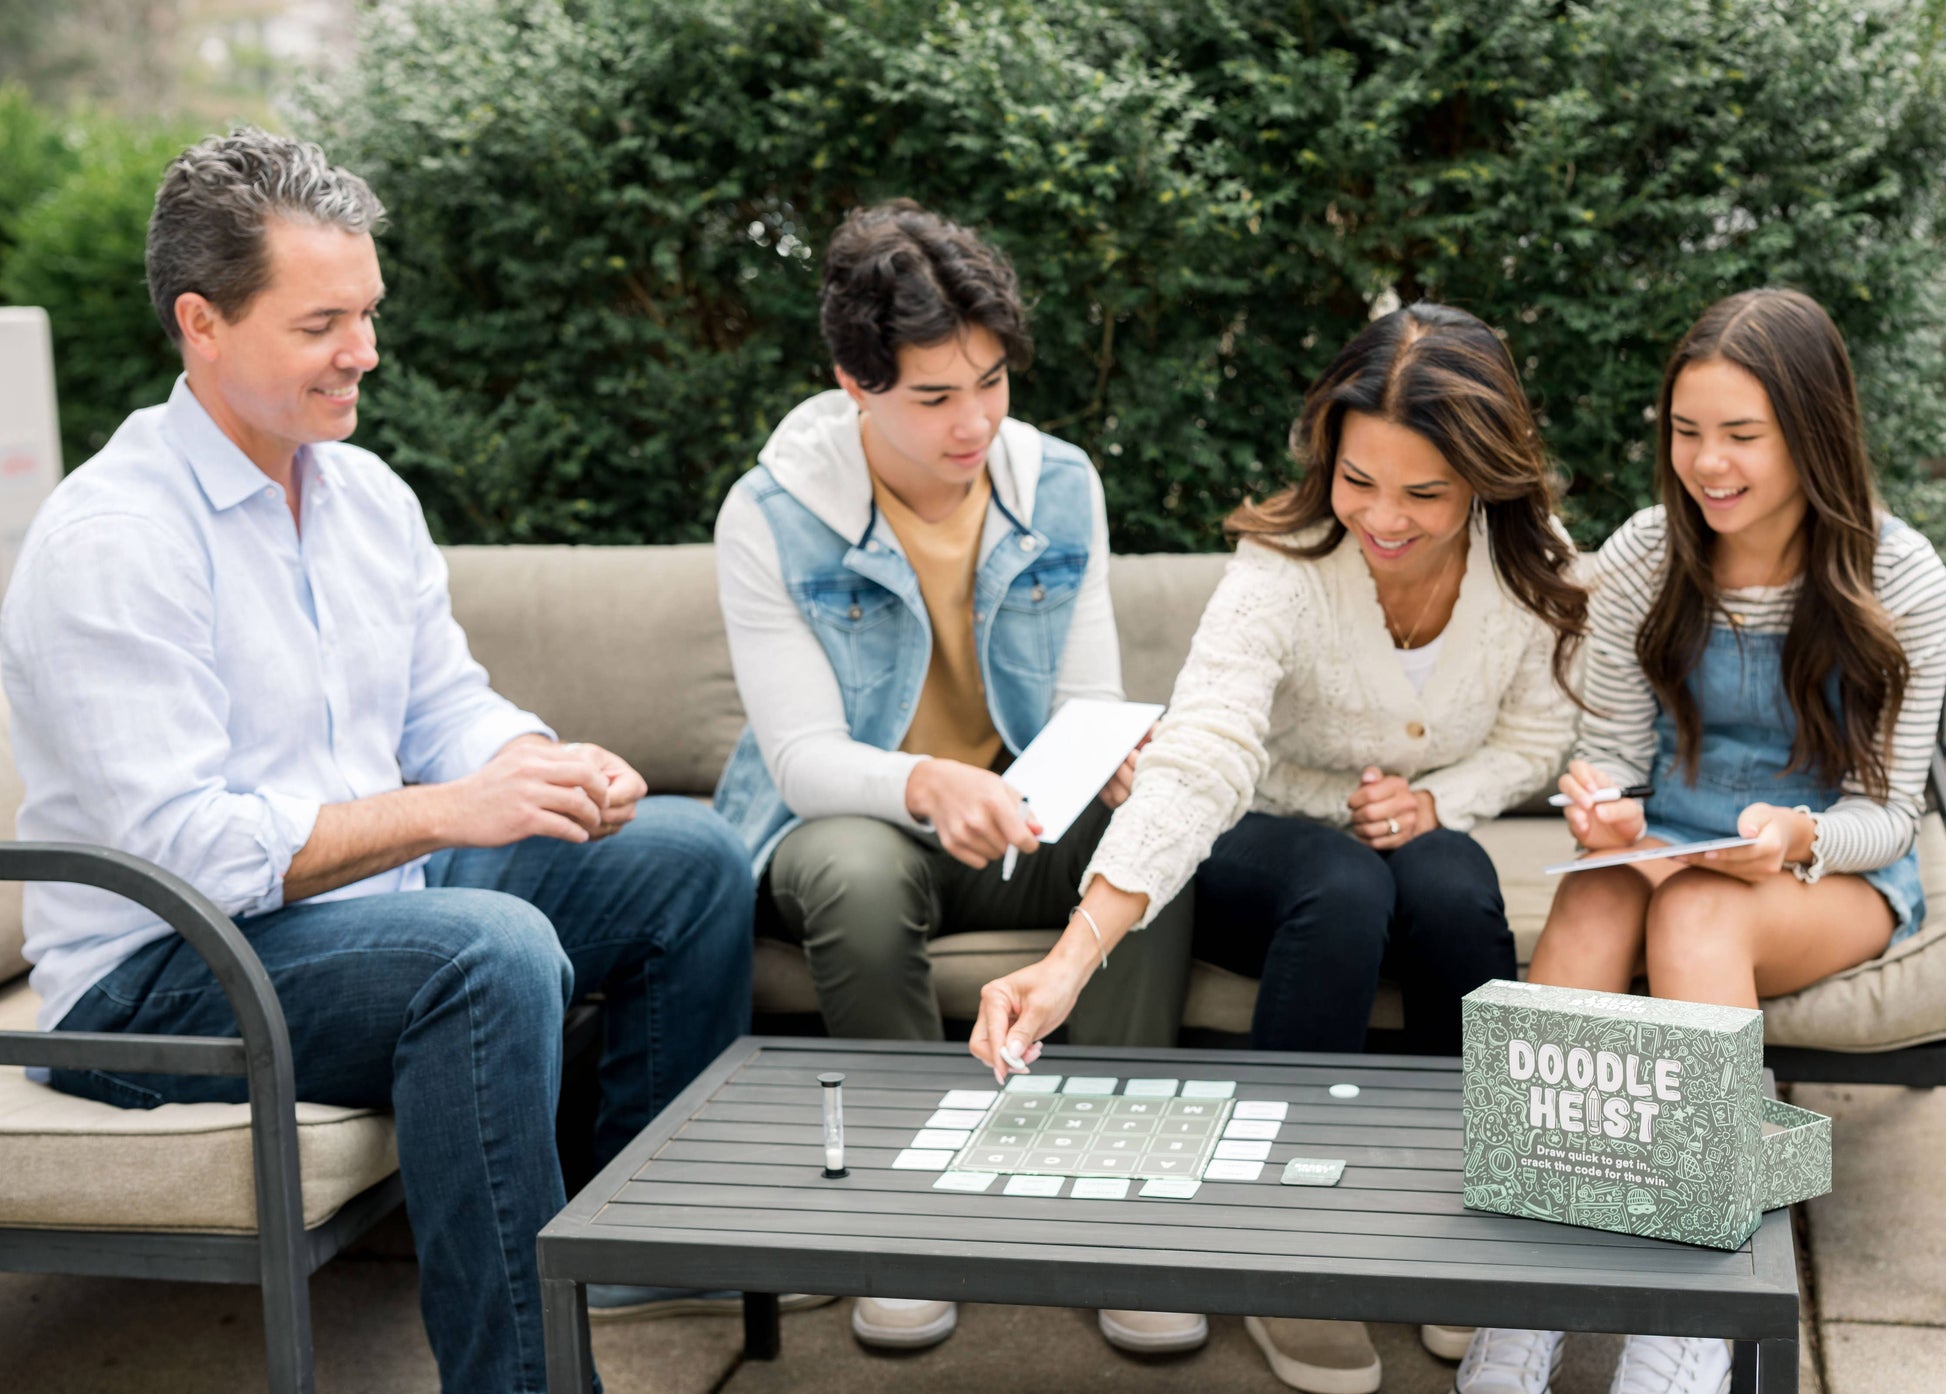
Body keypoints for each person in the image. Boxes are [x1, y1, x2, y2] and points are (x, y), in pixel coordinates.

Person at [0, 129, 758, 1394]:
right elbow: (193, 854)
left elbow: (443, 704)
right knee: (484, 952)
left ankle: (636, 1255)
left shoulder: (362, 497)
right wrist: (453, 810)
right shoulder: (115, 539)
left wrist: (538, 762)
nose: (364, 350)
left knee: (686, 858)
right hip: (158, 975)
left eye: (367, 312)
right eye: (321, 324)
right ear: (201, 322)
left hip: (352, 908)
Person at [968, 301, 1591, 1393]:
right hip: (1261, 836)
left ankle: (1474, 1221)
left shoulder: (1534, 571)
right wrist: (1069, 959)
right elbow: (1204, 753)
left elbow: (1536, 738)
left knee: (1452, 882)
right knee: (1344, 884)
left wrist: (1435, 801)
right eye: (1358, 480)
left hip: (1417, 828)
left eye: (1424, 493)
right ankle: (1283, 1250)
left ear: (1486, 478)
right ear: (1326, 458)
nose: (1382, 518)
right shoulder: (1281, 567)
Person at [711, 199, 1198, 1355]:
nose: (973, 420)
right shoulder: (771, 515)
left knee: (1153, 829)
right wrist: (929, 781)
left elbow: (1086, 701)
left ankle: (1120, 1208)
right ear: (854, 383)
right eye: (933, 396)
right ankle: (904, 1224)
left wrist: (1113, 764)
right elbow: (802, 760)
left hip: (1018, 820)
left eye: (990, 382)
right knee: (854, 868)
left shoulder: (1060, 484)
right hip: (856, 822)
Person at [1455, 288, 1946, 1394]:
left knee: (1696, 909)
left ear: (1812, 432)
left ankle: (1696, 1303)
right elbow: (1612, 753)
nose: (1706, 464)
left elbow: (1886, 811)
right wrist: (1607, 807)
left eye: (1740, 435)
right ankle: (1520, 1295)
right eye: (1686, 431)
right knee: (1595, 894)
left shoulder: (1902, 577)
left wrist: (1795, 834)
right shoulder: (1644, 554)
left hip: (1829, 865)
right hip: (1666, 844)